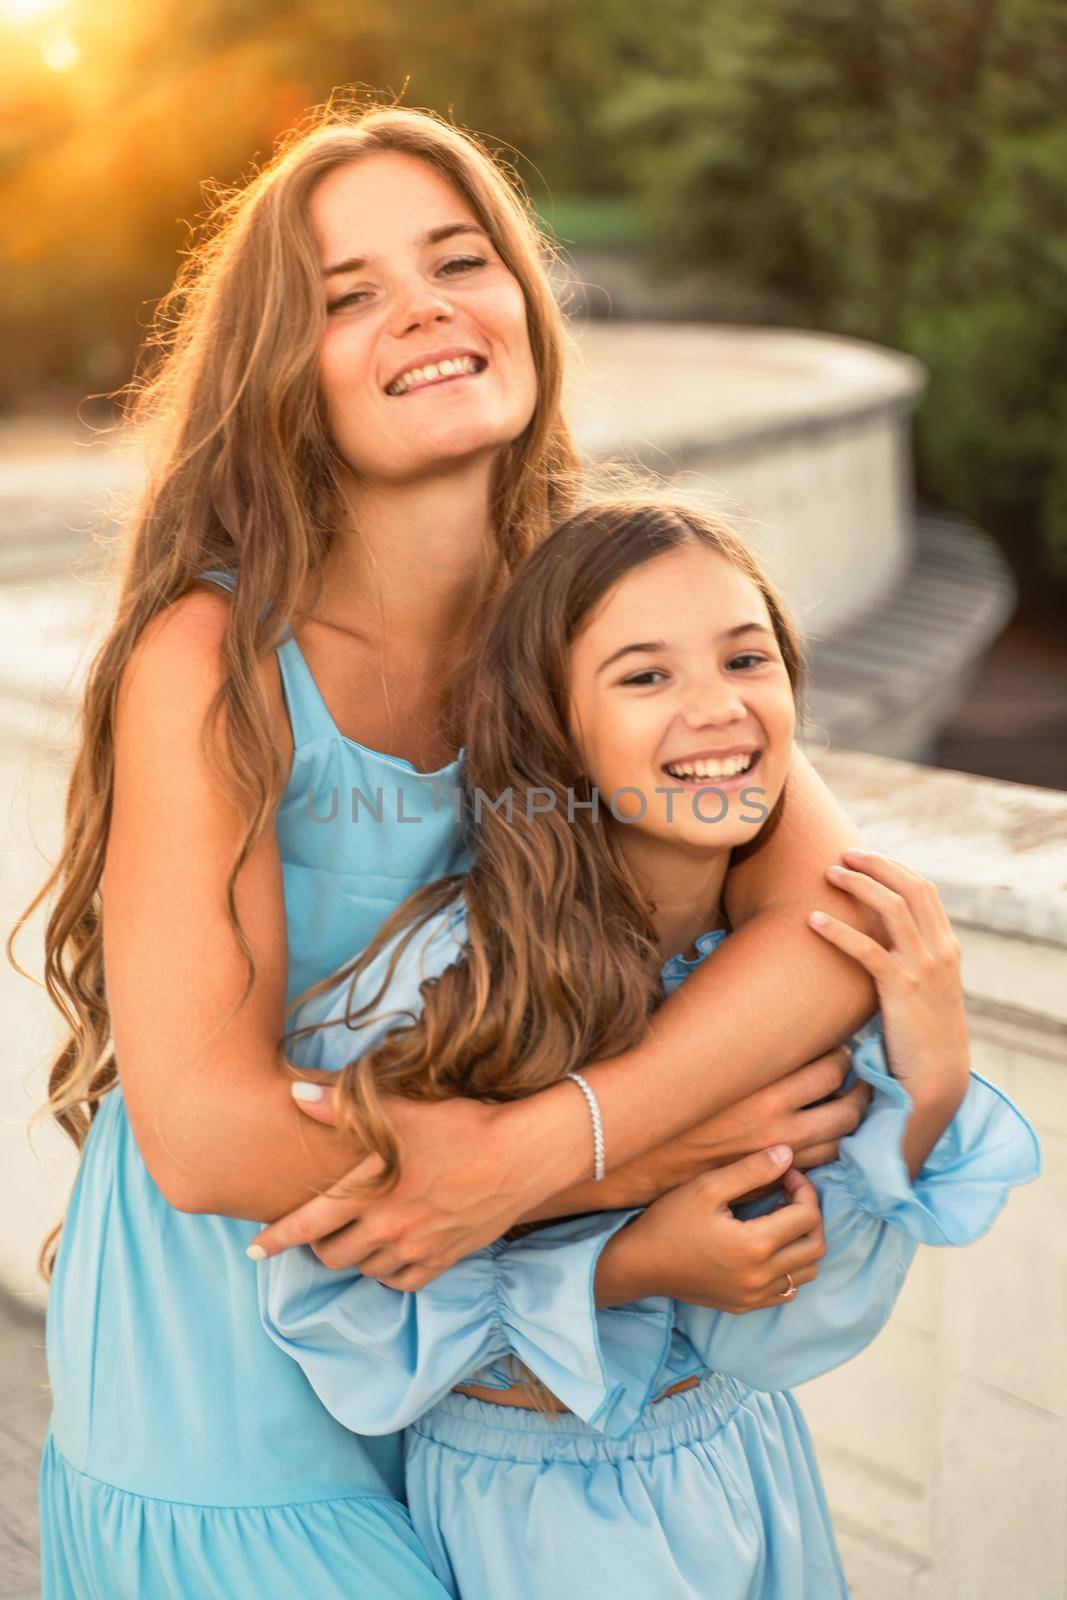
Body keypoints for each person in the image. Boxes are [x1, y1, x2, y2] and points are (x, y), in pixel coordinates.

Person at [16, 98, 895, 1598]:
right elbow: (206, 1135)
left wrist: (546, 1153)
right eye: (346, 296)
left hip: (496, 1373)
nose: (420, 308)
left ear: (525, 302)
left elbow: (835, 920)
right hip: (225, 1391)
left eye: (457, 260)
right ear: (280, 373)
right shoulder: (215, 657)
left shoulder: (599, 613)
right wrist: (645, 1151)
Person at [258, 498, 1040, 1599]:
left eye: (745, 657)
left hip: (746, 1476)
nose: (716, 708)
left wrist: (932, 1072)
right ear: (552, 724)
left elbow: (786, 1333)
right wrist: (625, 1263)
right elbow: (333, 1312)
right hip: (531, 1516)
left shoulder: (779, 992)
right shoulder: (448, 981)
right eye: (643, 676)